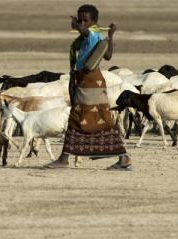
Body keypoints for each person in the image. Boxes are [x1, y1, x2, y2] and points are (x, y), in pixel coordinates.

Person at [45, 4, 133, 171]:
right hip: (90, 83)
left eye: (86, 20)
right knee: (101, 118)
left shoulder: (93, 34)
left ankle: (64, 159)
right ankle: (123, 157)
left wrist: (79, 27)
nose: (82, 23)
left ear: (94, 21)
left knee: (77, 117)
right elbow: (108, 55)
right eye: (80, 20)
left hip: (90, 83)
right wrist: (110, 36)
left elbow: (90, 37)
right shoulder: (92, 37)